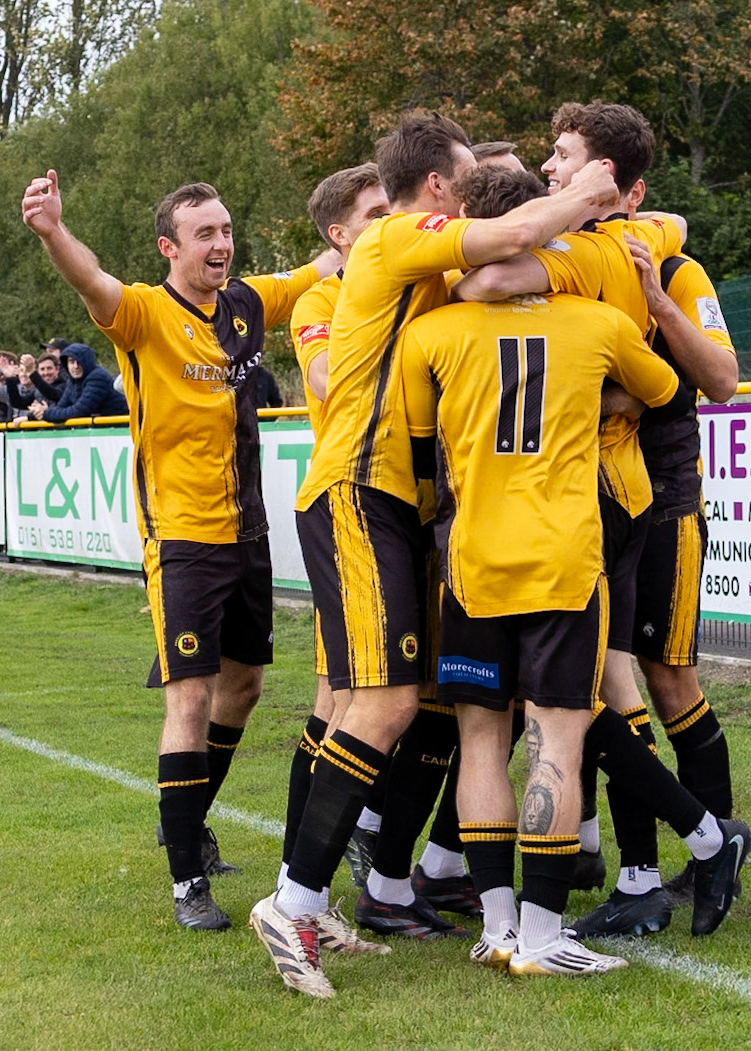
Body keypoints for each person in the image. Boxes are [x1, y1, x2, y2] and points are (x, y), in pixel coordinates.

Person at [250, 109, 620, 999]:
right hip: (357, 489)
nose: (464, 187)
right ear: (436, 188)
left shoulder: (428, 262)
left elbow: (506, 268)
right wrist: (585, 191)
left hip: (394, 502)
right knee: (377, 702)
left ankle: (325, 898)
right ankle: (292, 899)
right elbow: (522, 228)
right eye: (460, 173)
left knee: (378, 703)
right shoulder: (392, 239)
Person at [403, 159, 737, 977]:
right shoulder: (595, 324)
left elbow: (421, 435)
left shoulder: (434, 330)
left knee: (482, 739)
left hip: (473, 557)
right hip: (565, 557)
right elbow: (661, 393)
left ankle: (497, 927)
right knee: (557, 735)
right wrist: (590, 399)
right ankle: (549, 938)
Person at [21, 169, 339, 932]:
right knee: (189, 698)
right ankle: (185, 881)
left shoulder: (249, 303)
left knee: (245, 687)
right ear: (170, 247)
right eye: (206, 234)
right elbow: (91, 280)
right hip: (184, 538)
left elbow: (325, 267)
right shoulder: (141, 313)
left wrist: (389, 222)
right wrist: (52, 230)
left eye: (227, 230)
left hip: (250, 532)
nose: (222, 244)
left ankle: (187, 821)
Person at [283, 161, 469, 938]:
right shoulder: (326, 299)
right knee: (344, 703)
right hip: (353, 503)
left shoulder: (423, 277)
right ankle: (299, 886)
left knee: (426, 703)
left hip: (416, 512)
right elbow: (328, 378)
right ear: (341, 234)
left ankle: (381, 882)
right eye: (372, 214)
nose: (389, 223)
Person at [32, 343, 128, 422]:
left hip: (120, 429)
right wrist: (39, 414)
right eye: (71, 362)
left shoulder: (97, 377)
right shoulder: (72, 380)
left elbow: (79, 411)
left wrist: (46, 414)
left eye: (79, 362)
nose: (75, 366)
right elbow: (61, 406)